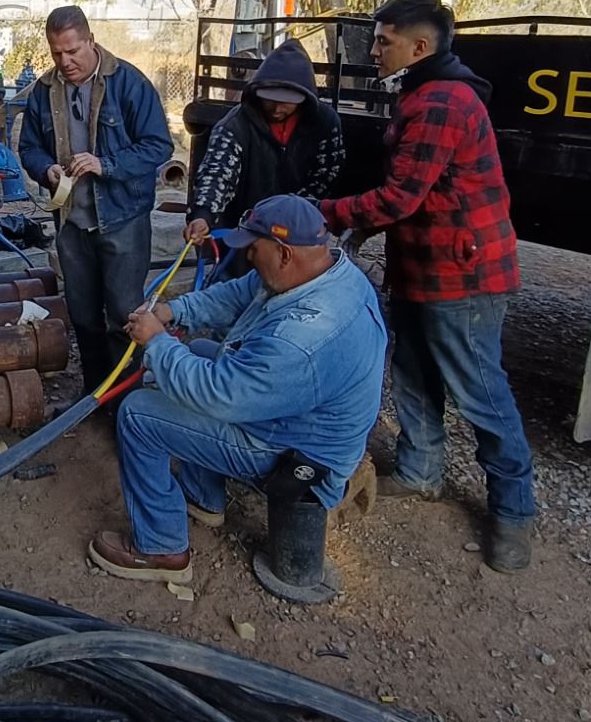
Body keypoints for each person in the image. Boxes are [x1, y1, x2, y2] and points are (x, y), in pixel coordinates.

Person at [318, 0, 536, 572]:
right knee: (411, 367)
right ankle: (421, 471)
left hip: (464, 274)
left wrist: (329, 212)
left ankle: (514, 510)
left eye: (384, 41)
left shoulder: (441, 101)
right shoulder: (422, 93)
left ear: (420, 46)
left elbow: (398, 197)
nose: (374, 49)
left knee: (479, 390)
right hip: (424, 265)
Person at [87, 196, 387, 584]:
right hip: (292, 418)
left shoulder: (305, 338)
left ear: (282, 253)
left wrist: (158, 343)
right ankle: (202, 495)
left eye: (253, 250)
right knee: (196, 351)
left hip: (297, 456)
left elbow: (219, 394)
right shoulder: (320, 271)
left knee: (139, 413)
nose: (247, 258)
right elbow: (239, 293)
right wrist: (175, 313)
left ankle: (161, 548)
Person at [19, 6, 172, 391]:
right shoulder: (43, 91)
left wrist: (106, 164)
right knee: (84, 316)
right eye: (56, 53)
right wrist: (46, 170)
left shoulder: (130, 84)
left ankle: (125, 399)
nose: (65, 61)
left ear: (90, 40)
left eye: (72, 51)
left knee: (124, 316)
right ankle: (94, 394)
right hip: (72, 222)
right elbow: (29, 147)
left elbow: (158, 146)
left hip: (123, 221)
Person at [185, 37, 344, 249]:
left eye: (286, 102)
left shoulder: (325, 123)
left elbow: (326, 175)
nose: (277, 109)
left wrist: (292, 214)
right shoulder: (235, 125)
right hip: (243, 229)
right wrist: (202, 215)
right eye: (270, 100)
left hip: (297, 229)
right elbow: (218, 172)